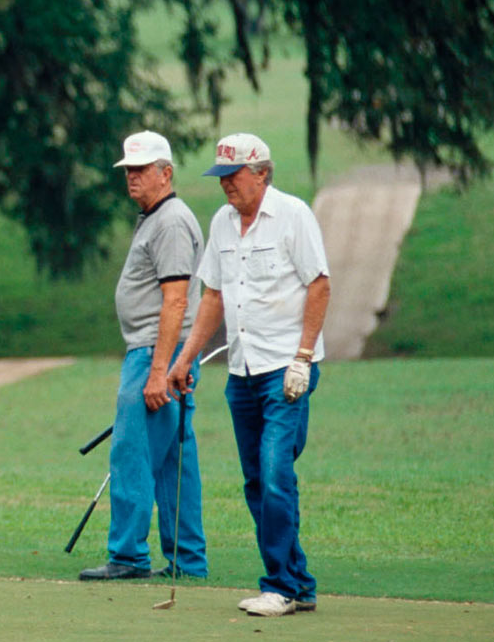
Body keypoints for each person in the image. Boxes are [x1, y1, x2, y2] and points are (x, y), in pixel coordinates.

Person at [168, 133, 330, 617]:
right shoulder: (221, 223)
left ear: (261, 173)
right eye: (221, 179)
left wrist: (303, 356)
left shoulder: (293, 216)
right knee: (258, 480)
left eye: (233, 177)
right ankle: (298, 582)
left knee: (277, 473)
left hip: (286, 369)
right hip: (241, 369)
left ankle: (278, 585)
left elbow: (319, 286)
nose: (226, 188)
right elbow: (213, 298)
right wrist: (186, 358)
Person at [79, 131, 208, 582]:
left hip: (157, 355)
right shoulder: (157, 217)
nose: (132, 177)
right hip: (168, 355)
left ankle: (129, 555)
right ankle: (188, 560)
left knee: (132, 453)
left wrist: (158, 371)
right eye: (129, 169)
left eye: (142, 169)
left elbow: (175, 301)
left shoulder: (170, 222)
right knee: (175, 461)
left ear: (165, 173)